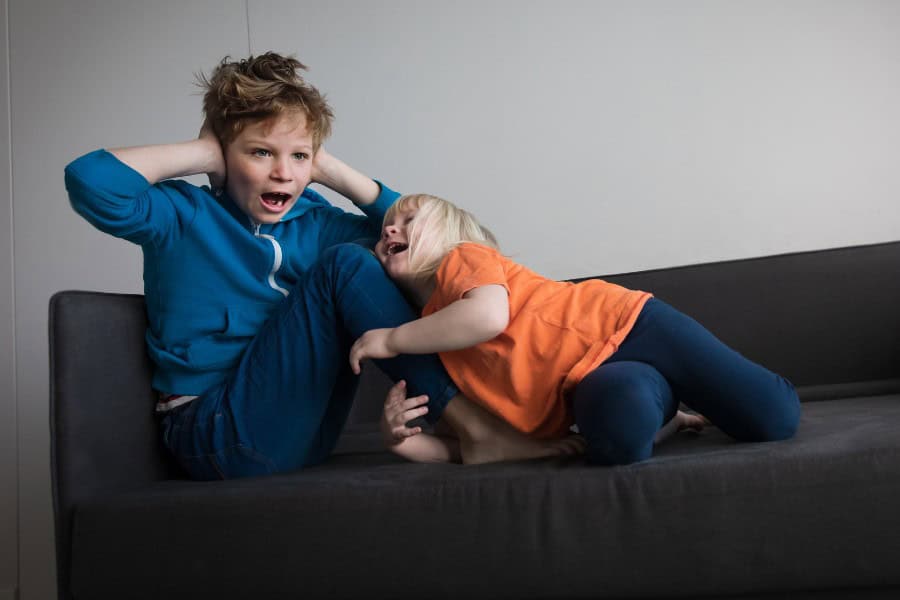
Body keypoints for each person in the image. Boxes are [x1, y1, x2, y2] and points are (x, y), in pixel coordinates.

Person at [64, 52, 574, 480]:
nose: (282, 173)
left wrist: (327, 168)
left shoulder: (315, 221)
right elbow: (89, 181)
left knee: (371, 260)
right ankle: (478, 430)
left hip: (305, 430)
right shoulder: (182, 215)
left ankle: (492, 419)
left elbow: (433, 242)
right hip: (214, 430)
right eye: (260, 153)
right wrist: (202, 151)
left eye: (298, 157)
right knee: (346, 265)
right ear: (223, 156)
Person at [349, 194, 801, 465]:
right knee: (618, 445)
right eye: (387, 227)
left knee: (775, 417)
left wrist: (390, 338)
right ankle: (668, 413)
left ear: (449, 234)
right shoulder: (436, 337)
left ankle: (674, 395)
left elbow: (487, 317)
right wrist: (401, 443)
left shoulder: (464, 258)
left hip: (631, 324)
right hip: (594, 383)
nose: (390, 229)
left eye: (408, 220)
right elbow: (471, 448)